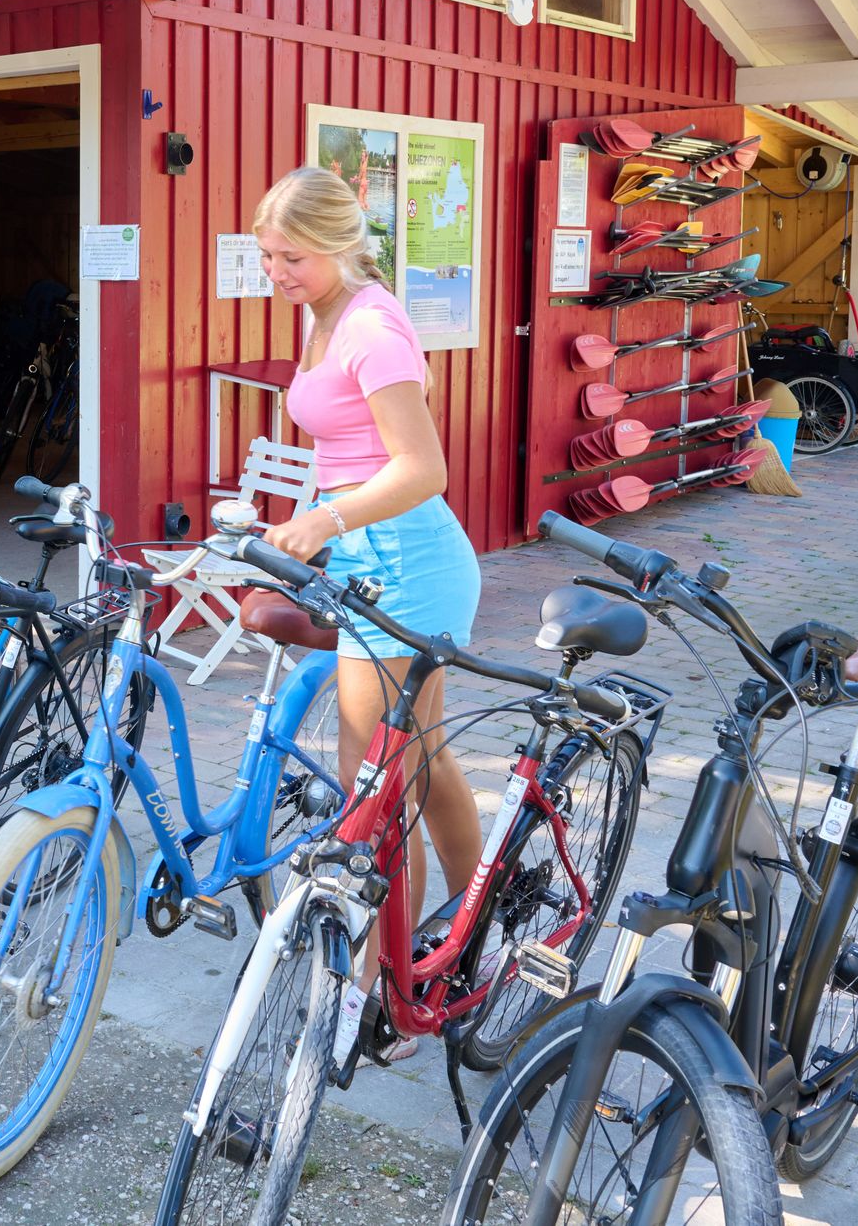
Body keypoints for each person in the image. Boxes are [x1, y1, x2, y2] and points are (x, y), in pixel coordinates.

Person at [253, 164, 483, 1065]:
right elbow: (344, 444)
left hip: (409, 562)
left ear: (343, 244)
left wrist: (327, 516)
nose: (278, 272)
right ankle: (455, 935)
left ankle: (397, 984)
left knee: (383, 775)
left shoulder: (374, 327)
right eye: (268, 255)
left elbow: (424, 467)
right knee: (407, 770)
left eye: (293, 257)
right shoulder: (324, 311)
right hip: (368, 557)